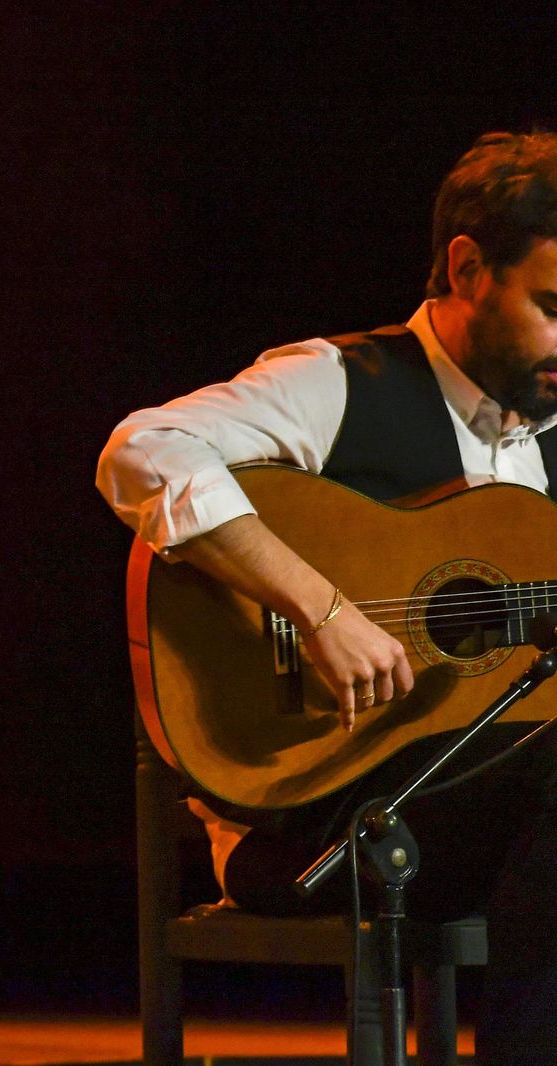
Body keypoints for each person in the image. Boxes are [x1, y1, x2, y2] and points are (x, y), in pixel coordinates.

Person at [97, 131, 557, 1062]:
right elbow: (141, 450)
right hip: (314, 820)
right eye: (554, 305)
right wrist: (321, 606)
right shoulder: (339, 382)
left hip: (505, 824)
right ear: (468, 268)